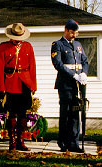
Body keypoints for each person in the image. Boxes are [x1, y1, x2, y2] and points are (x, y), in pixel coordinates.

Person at [0, 23, 37, 151]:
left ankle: (21, 141)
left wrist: (33, 85)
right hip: (10, 83)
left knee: (23, 114)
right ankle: (12, 142)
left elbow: (32, 67)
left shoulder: (28, 47)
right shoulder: (3, 47)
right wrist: (1, 87)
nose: (17, 40)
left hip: (25, 83)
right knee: (11, 114)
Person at [51, 19, 88, 153]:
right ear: (66, 30)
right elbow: (58, 64)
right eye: (72, 32)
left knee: (75, 113)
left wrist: (84, 73)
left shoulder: (78, 45)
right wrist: (73, 75)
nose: (74, 35)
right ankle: (63, 142)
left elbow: (85, 61)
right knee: (66, 112)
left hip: (78, 84)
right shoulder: (58, 44)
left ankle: (74, 143)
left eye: (76, 33)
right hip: (65, 83)